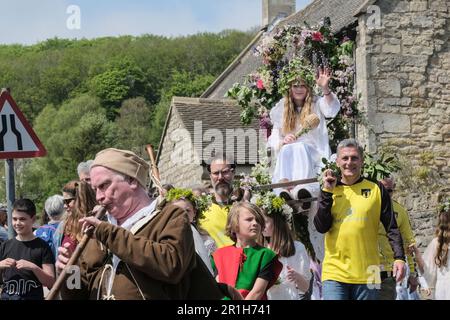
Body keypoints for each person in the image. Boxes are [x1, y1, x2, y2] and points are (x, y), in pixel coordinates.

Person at [56, 148, 223, 300]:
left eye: (104, 185)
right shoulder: (98, 231)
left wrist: (108, 234)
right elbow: (77, 296)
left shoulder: (170, 217)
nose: (99, 197)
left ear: (131, 180)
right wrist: (71, 271)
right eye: (95, 189)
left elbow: (171, 266)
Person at [313, 138, 406, 300]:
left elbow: (392, 226)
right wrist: (327, 193)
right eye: (345, 158)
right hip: (334, 272)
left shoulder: (377, 188)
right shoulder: (329, 188)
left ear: (362, 161)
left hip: (370, 271)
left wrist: (399, 258)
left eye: (354, 158)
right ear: (337, 161)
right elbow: (321, 227)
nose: (350, 162)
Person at [267, 62, 341, 203]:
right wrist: (283, 141)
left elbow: (332, 110)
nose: (299, 89)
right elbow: (274, 136)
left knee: (300, 147)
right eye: (295, 85)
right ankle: (286, 187)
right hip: (289, 152)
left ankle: (304, 187)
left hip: (314, 152)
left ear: (308, 87)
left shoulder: (317, 103)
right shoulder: (282, 108)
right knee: (287, 149)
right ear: (289, 88)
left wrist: (325, 88)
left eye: (302, 85)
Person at [211, 201, 282, 300]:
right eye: (249, 219)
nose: (255, 223)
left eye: (258, 220)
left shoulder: (266, 255)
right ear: (235, 224)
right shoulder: (219, 255)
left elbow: (257, 292)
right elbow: (215, 288)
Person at [258, 192, 312, 300]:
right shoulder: (260, 250)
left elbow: (306, 288)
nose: (261, 226)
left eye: (266, 222)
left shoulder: (297, 248)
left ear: (277, 223)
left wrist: (297, 277)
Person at [0, 199, 55, 300]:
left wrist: (33, 267)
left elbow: (51, 282)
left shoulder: (42, 247)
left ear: (33, 219)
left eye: (22, 219)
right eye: (14, 219)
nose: (17, 223)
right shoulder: (5, 246)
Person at [377, 177, 418, 300]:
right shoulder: (365, 208)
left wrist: (412, 273)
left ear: (393, 190)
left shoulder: (399, 210)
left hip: (388, 271)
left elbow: (408, 242)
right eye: (381, 189)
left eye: (388, 190)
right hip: (365, 268)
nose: (384, 193)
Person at [166, 188, 216, 275]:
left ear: (194, 212)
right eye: (177, 211)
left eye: (187, 211)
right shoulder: (167, 242)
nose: (183, 215)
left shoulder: (207, 241)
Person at [412, 198, 450, 300]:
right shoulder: (437, 243)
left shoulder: (436, 243)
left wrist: (417, 254)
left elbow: (428, 272)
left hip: (443, 290)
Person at [198, 153, 237, 248]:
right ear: (210, 176)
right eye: (215, 173)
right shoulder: (199, 208)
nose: (220, 177)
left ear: (233, 172)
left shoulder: (245, 203)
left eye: (225, 172)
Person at [53, 180, 97, 258]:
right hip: (69, 270)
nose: (65, 206)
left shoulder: (97, 224)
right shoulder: (63, 226)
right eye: (64, 202)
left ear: (81, 200)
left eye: (68, 201)